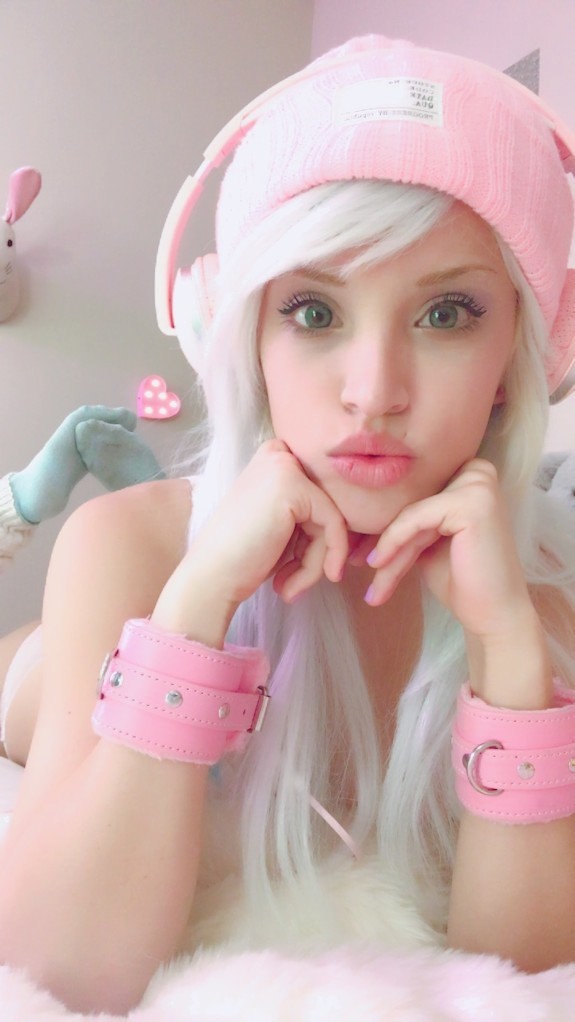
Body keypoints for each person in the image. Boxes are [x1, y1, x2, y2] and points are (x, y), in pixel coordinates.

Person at [1, 33, 575, 1016]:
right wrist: (193, 608)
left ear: (522, 352)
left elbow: (525, 978)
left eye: (445, 314)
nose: (373, 392)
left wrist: (507, 652)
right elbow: (57, 966)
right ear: (243, 335)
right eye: (312, 311)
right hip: (49, 662)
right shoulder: (130, 546)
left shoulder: (546, 596)